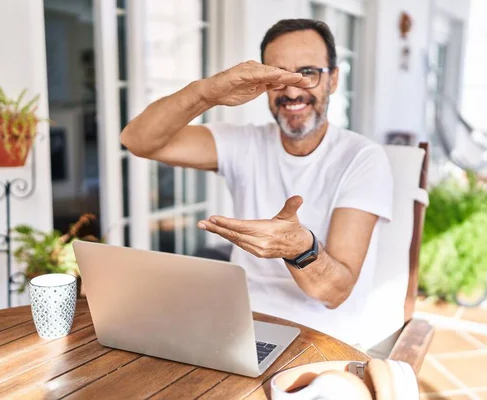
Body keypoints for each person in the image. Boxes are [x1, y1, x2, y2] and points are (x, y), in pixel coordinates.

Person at [121, 19, 393, 347]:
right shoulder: (245, 144)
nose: (292, 91)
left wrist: (300, 249)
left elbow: (334, 293)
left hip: (322, 339)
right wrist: (207, 93)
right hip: (239, 327)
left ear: (333, 79)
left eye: (308, 73)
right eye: (278, 77)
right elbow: (137, 140)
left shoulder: (362, 158)